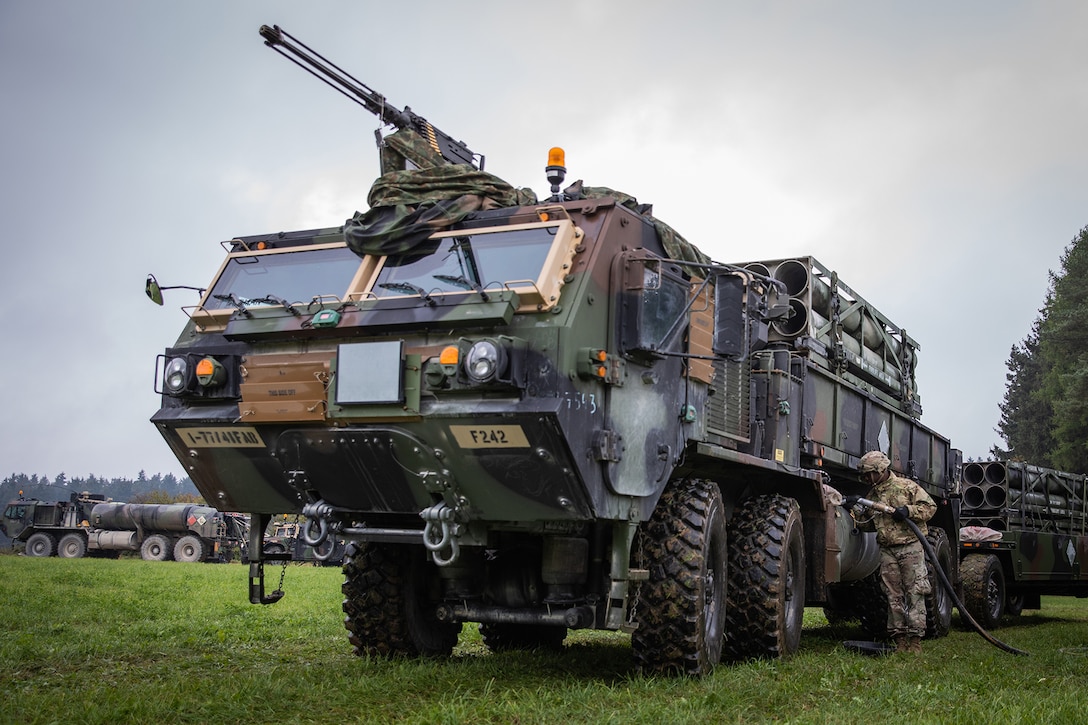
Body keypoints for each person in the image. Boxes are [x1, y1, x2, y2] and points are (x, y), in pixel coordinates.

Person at [843, 450, 936, 654]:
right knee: (892, 595)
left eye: (869, 474)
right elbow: (867, 525)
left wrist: (908, 511)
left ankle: (916, 641)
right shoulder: (872, 496)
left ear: (881, 470)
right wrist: (854, 509)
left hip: (910, 546)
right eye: (864, 475)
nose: (867, 478)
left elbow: (929, 508)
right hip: (887, 550)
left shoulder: (907, 487)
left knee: (915, 592)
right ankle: (900, 640)